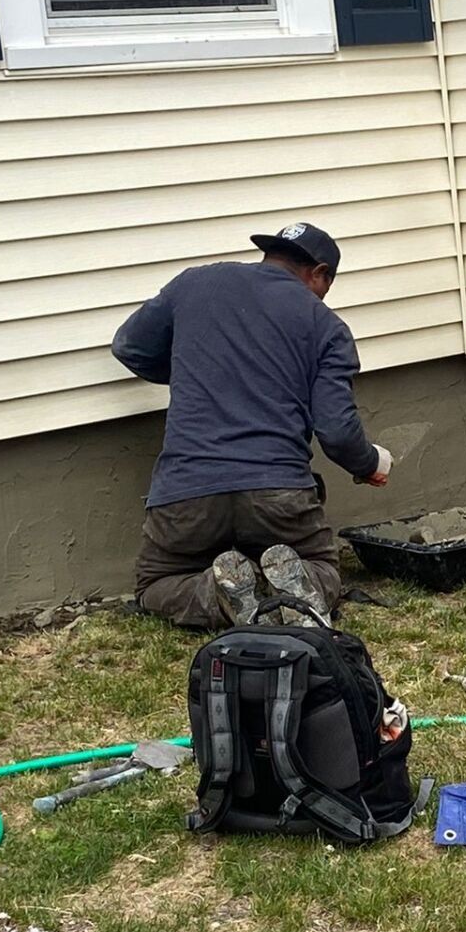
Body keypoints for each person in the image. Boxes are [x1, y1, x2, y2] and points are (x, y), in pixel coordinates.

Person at [111, 222, 391, 628]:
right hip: (278, 492)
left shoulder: (195, 283)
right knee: (324, 569)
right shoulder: (327, 326)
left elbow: (129, 346)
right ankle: (297, 587)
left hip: (188, 490)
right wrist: (367, 465)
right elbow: (336, 430)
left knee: (157, 583)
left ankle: (217, 596)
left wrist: (198, 372)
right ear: (319, 273)